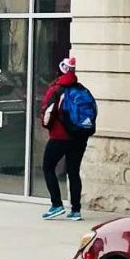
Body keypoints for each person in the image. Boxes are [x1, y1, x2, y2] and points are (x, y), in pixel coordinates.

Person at [39, 56, 92, 221]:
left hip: (60, 136)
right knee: (73, 172)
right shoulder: (82, 89)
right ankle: (76, 210)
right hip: (79, 136)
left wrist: (46, 125)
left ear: (62, 70)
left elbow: (46, 111)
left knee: (48, 167)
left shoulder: (57, 89)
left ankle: (56, 204)